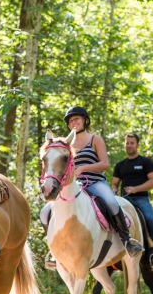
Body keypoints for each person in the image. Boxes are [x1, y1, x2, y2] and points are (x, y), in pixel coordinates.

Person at [41, 106, 144, 269]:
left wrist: (82, 169)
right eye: (71, 120)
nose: (74, 122)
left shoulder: (95, 139)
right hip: (72, 186)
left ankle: (127, 241)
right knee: (45, 211)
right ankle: (55, 252)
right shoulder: (66, 143)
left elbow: (105, 164)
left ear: (85, 120)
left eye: (77, 119)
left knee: (111, 202)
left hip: (95, 183)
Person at [112, 133, 153, 271]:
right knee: (110, 216)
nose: (129, 145)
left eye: (132, 143)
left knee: (150, 219)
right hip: (124, 200)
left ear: (137, 145)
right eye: (127, 143)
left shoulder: (145, 162)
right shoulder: (120, 165)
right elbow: (115, 184)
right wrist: (114, 190)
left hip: (141, 199)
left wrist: (136, 189)